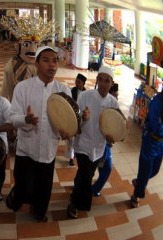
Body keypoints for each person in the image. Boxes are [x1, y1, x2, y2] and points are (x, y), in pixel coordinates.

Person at [6, 46, 71, 222]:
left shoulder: (63, 91)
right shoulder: (22, 88)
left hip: (48, 149)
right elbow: (12, 117)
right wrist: (26, 120)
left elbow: (70, 120)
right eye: (46, 60)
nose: (52, 65)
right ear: (36, 63)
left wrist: (77, 122)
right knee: (24, 185)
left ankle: (39, 212)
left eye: (55, 60)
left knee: (44, 187)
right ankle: (18, 196)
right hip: (26, 147)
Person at [67, 65, 119, 219]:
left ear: (111, 83)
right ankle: (76, 204)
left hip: (99, 149)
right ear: (96, 80)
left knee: (85, 174)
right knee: (86, 176)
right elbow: (75, 124)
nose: (103, 84)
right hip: (83, 145)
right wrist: (84, 119)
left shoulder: (113, 103)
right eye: (100, 80)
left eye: (107, 81)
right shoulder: (85, 96)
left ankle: (74, 195)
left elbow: (115, 129)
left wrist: (111, 138)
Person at [131, 73, 163, 208]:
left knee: (155, 170)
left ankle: (139, 181)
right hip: (150, 141)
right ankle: (136, 195)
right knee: (145, 172)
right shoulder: (156, 102)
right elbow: (155, 125)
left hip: (161, 142)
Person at [91, 83, 119, 197]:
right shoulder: (102, 105)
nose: (117, 97)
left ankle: (88, 187)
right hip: (98, 144)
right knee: (101, 168)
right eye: (115, 94)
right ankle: (87, 188)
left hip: (105, 145)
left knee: (103, 168)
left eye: (117, 94)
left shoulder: (113, 106)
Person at [66, 73, 87, 166]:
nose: (76, 83)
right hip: (71, 118)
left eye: (79, 82)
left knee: (77, 139)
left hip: (81, 120)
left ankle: (76, 154)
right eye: (76, 81)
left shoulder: (86, 94)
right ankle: (71, 157)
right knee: (71, 139)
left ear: (83, 84)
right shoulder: (72, 90)